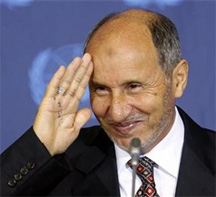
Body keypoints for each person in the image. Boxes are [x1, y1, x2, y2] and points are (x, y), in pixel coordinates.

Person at [1, 8, 215, 197]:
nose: (117, 112)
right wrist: (38, 147)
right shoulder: (56, 167)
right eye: (101, 89)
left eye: (133, 86)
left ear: (178, 79)